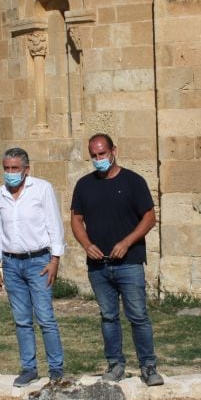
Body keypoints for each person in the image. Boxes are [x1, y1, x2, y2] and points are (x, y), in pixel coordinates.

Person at [70, 134, 164, 386]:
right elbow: (76, 220)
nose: (98, 159)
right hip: (99, 266)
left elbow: (149, 218)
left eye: (102, 153)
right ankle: (115, 364)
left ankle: (148, 366)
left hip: (129, 262)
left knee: (138, 316)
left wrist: (126, 242)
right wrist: (87, 245)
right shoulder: (84, 185)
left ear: (114, 151)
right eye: (94, 155)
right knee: (108, 316)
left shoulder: (133, 182)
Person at [0, 148, 66, 387]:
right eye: (7, 169)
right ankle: (29, 368)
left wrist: (55, 260)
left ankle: (56, 369)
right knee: (22, 319)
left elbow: (54, 225)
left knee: (45, 317)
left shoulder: (42, 189)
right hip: (11, 263)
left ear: (26, 169)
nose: (10, 173)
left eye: (15, 169)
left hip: (38, 261)